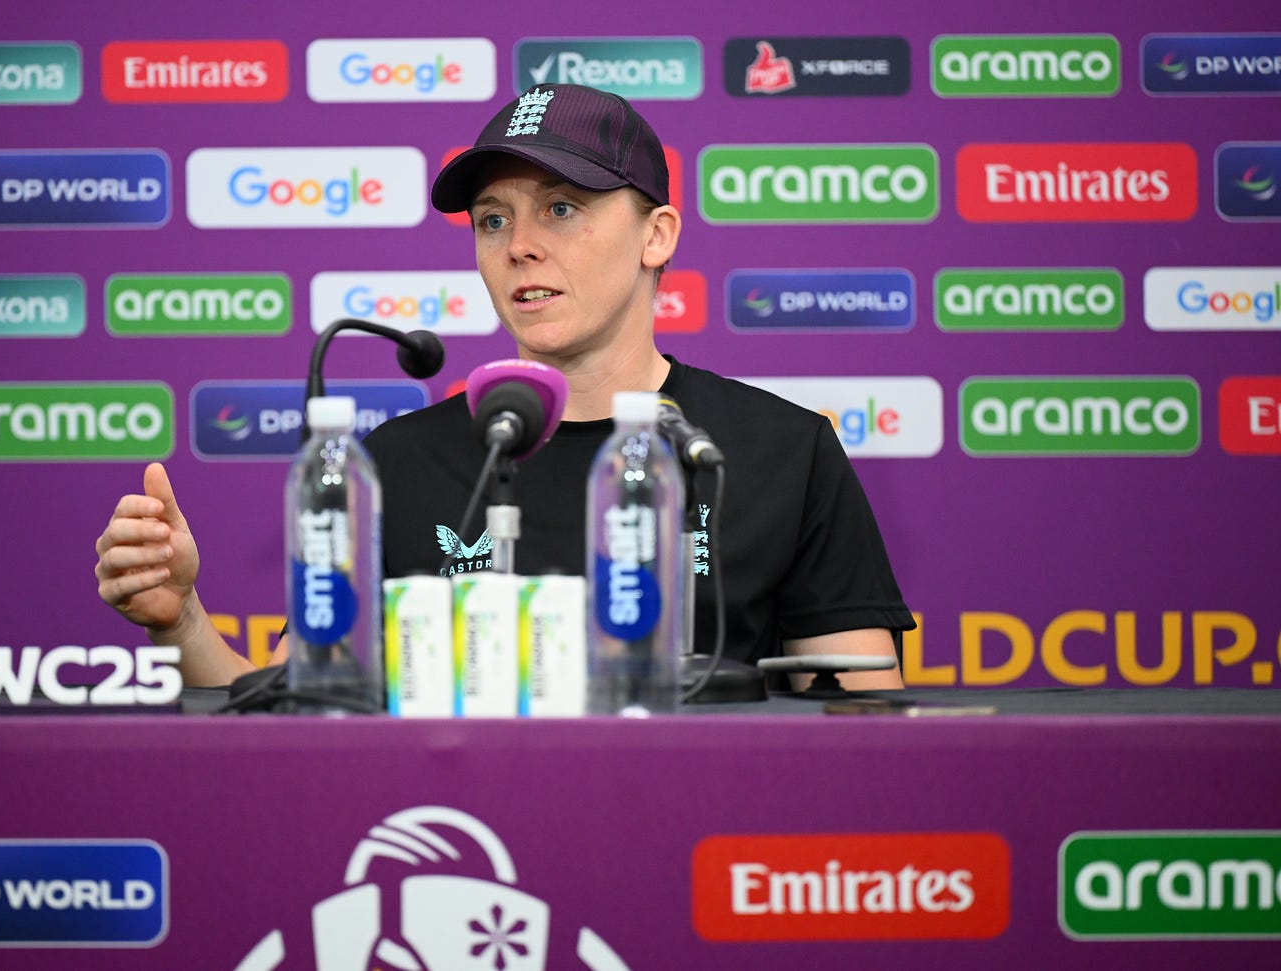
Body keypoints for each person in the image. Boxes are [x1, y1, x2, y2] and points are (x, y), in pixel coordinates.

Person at [94, 83, 913, 692]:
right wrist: (183, 620)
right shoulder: (392, 463)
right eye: (493, 219)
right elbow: (297, 719)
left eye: (561, 208)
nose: (519, 244)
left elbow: (862, 731)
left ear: (657, 236)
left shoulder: (783, 449)